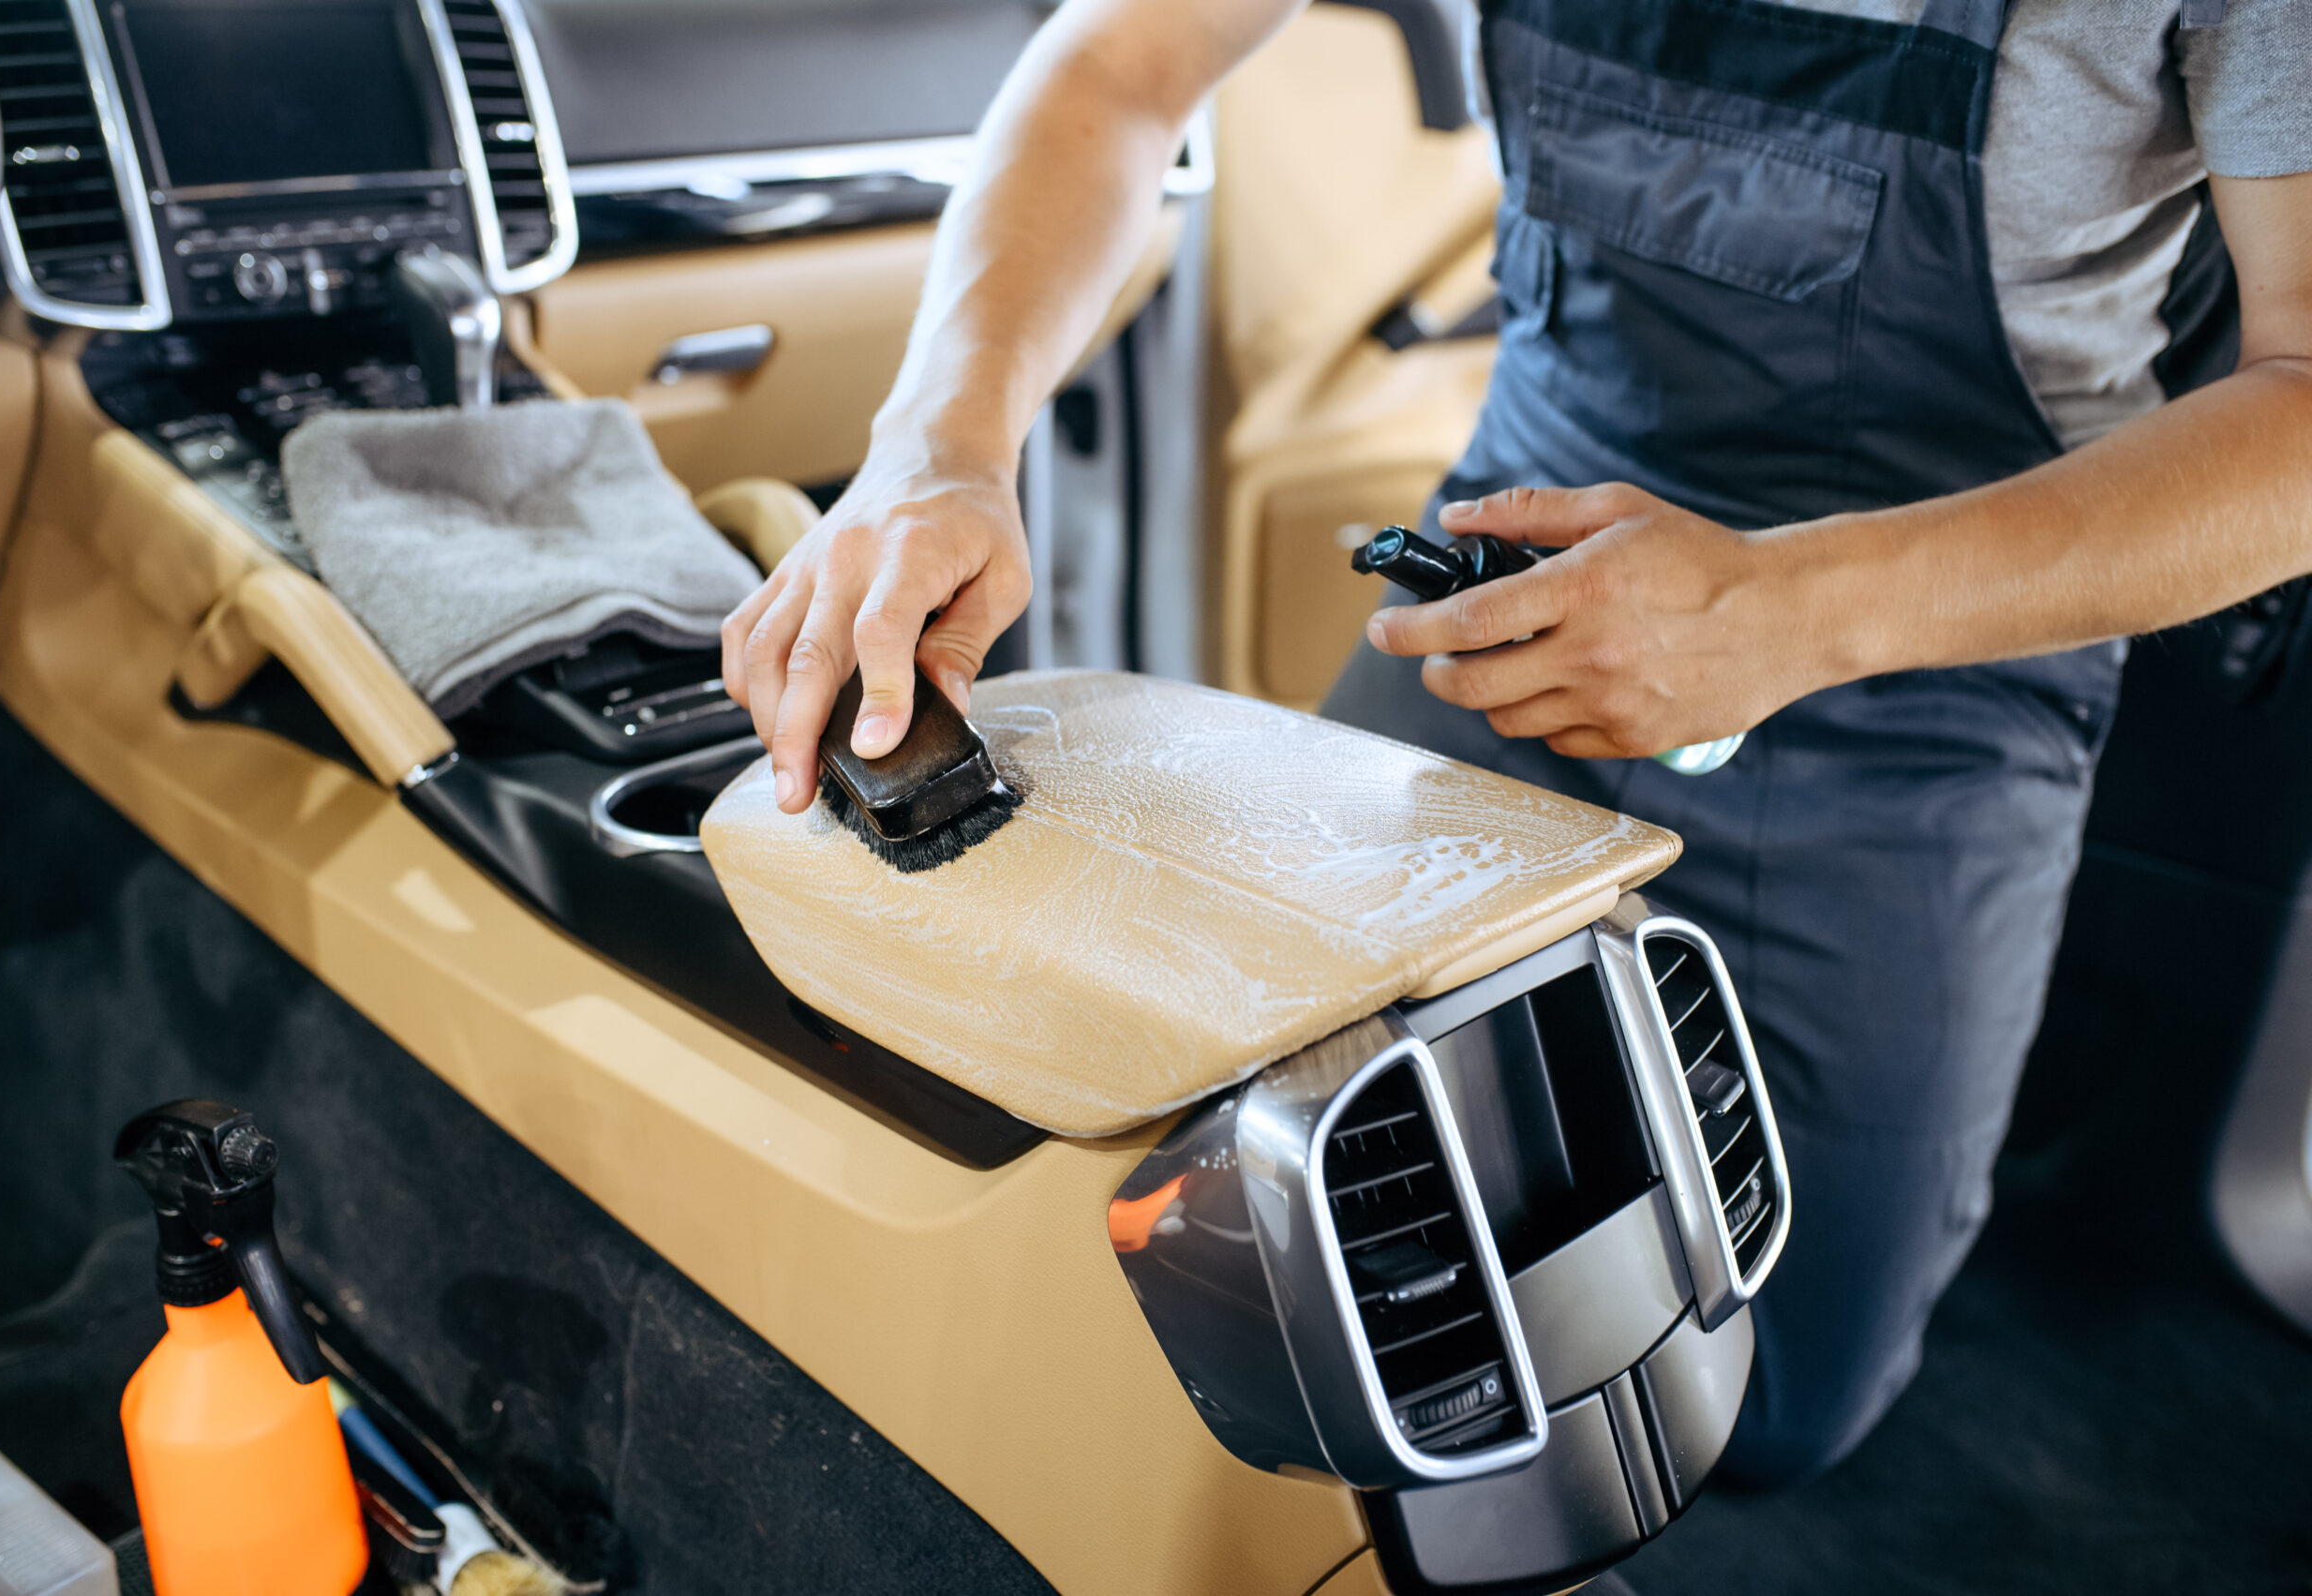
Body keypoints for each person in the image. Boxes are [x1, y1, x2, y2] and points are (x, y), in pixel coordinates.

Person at [720, 0, 2312, 1484]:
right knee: (1253, 1217)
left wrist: (1795, 612)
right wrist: (939, 440)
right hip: (1508, 587)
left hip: (1923, 659)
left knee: (1773, 1374)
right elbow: (1118, 67)